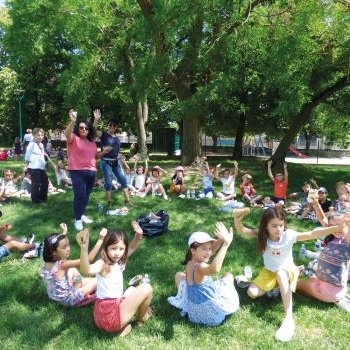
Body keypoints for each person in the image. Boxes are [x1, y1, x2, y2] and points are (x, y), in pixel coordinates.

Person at [232, 206, 345, 342]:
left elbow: (311, 234)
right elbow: (243, 230)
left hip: (287, 270)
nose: (278, 229)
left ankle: (288, 318)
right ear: (265, 226)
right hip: (269, 271)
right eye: (274, 226)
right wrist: (237, 220)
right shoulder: (262, 235)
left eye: (281, 225)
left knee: (280, 274)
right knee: (252, 293)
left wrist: (334, 228)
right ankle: (277, 287)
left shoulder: (289, 235)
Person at [76, 221, 153, 336]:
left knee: (132, 290)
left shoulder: (118, 261)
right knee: (146, 288)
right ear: (106, 248)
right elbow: (86, 270)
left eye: (121, 249)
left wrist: (138, 237)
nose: (117, 253)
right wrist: (83, 248)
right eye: (113, 248)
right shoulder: (102, 264)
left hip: (101, 314)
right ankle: (139, 321)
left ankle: (124, 325)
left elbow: (132, 247)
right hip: (109, 316)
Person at [168, 223, 239, 326]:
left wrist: (220, 240)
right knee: (228, 276)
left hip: (195, 315)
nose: (208, 252)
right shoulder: (200, 267)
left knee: (179, 275)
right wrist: (226, 244)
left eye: (209, 249)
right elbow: (215, 269)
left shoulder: (190, 262)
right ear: (193, 250)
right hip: (212, 316)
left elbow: (208, 252)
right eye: (204, 249)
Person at [296, 209, 350, 313]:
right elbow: (322, 218)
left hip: (329, 291)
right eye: (332, 225)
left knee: (295, 284)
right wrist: (316, 203)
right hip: (323, 283)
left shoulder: (346, 241)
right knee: (308, 280)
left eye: (339, 225)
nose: (336, 228)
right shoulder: (331, 237)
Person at [40, 223, 105, 307]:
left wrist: (63, 233)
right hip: (68, 299)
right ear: (54, 252)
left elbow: (55, 245)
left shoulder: (48, 258)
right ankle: (78, 290)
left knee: (73, 270)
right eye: (64, 247)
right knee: (97, 281)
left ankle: (78, 286)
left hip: (54, 295)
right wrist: (100, 240)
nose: (68, 249)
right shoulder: (63, 265)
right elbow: (88, 260)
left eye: (68, 245)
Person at [66, 109, 105, 230]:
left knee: (86, 196)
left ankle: (81, 214)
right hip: (77, 171)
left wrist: (104, 152)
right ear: (78, 128)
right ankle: (77, 220)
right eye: (81, 127)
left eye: (86, 128)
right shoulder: (73, 139)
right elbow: (67, 134)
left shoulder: (92, 142)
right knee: (80, 195)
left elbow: (95, 156)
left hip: (91, 172)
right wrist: (72, 122)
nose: (84, 129)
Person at [92, 109, 133, 206]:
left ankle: (127, 201)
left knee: (123, 180)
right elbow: (93, 131)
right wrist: (96, 119)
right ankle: (109, 202)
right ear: (108, 126)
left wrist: (121, 159)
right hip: (106, 163)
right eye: (110, 125)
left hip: (115, 163)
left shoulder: (117, 138)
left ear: (116, 127)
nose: (112, 127)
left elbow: (116, 151)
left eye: (114, 125)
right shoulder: (104, 135)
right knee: (108, 182)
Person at [24, 128, 49, 204]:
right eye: (38, 135)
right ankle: (36, 201)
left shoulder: (41, 145)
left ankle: (42, 198)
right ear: (34, 135)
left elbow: (41, 156)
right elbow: (27, 156)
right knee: (36, 183)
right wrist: (26, 166)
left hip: (41, 167)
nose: (40, 137)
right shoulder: (31, 144)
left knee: (45, 182)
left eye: (41, 135)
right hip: (33, 167)